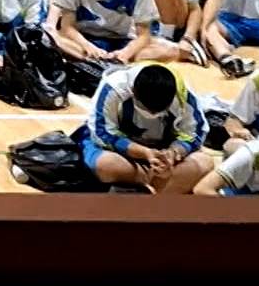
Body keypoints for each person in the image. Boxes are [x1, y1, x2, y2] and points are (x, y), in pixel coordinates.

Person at [85, 63, 213, 193]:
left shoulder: (184, 96)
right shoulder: (115, 88)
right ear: (133, 91)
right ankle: (158, 186)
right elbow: (102, 133)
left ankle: (141, 189)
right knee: (105, 164)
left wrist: (173, 153)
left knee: (205, 162)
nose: (153, 114)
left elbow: (195, 134)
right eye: (147, 109)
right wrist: (144, 152)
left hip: (163, 155)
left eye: (159, 111)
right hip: (122, 154)